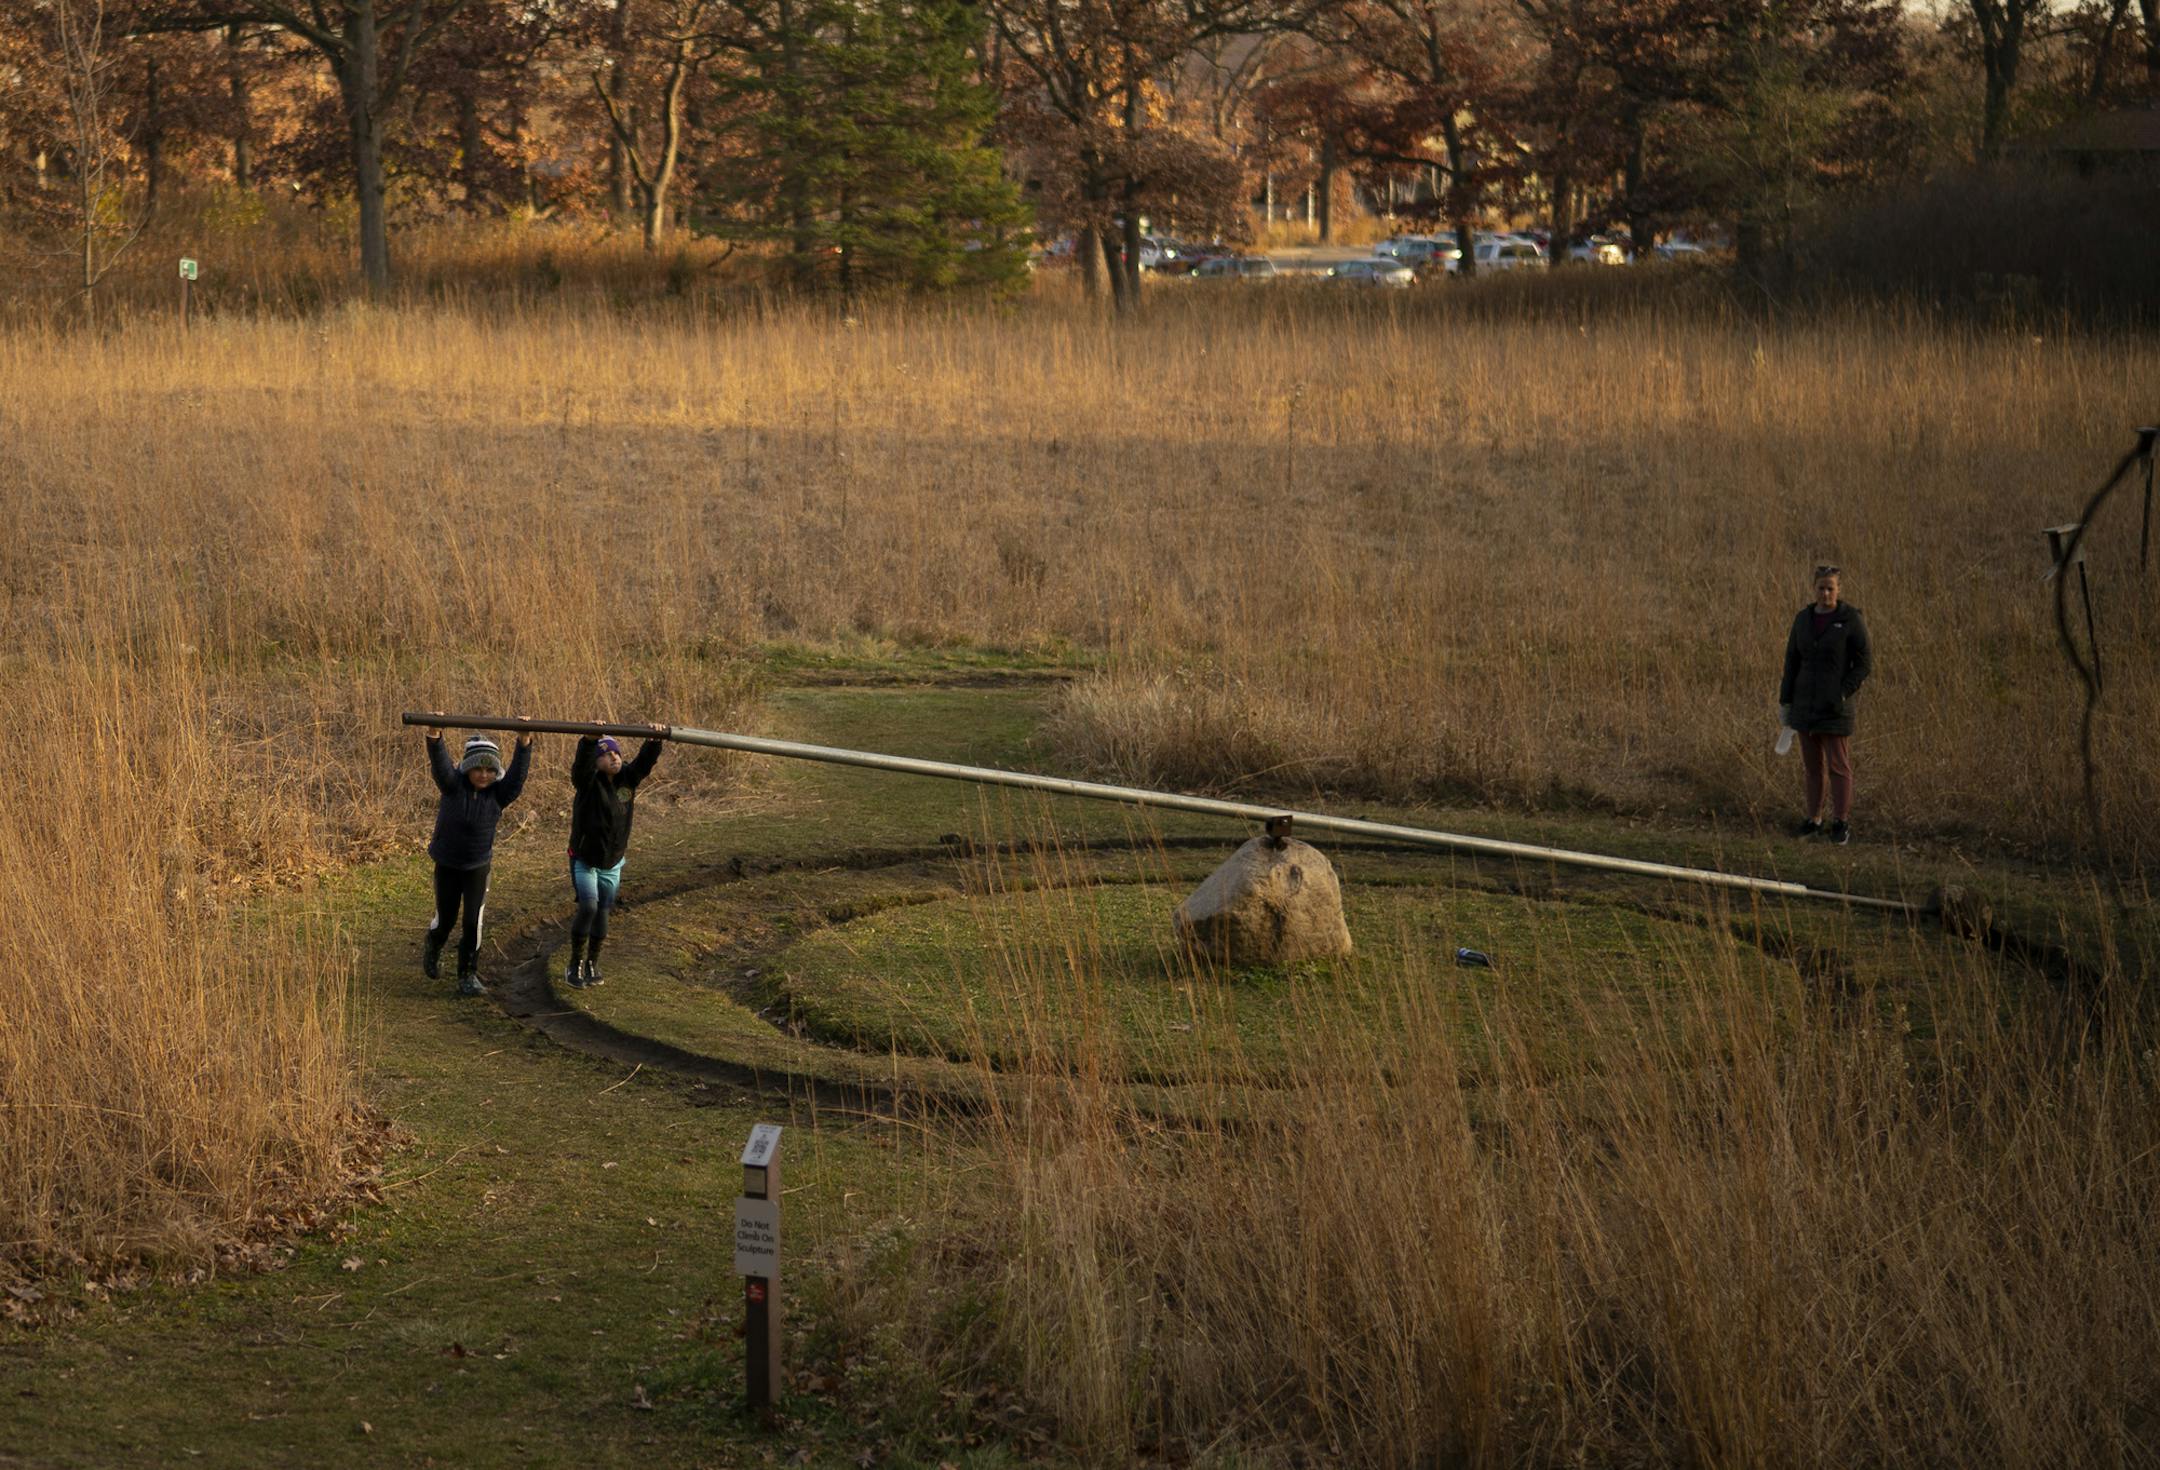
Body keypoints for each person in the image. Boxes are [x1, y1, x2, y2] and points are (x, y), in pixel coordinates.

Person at [421, 723, 534, 996]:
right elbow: (441, 766)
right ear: (467, 768)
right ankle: (434, 944)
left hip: (477, 867)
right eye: (478, 769)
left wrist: (525, 740)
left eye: (490, 770)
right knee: (446, 920)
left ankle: (467, 975)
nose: (484, 775)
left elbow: (517, 776)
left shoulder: (499, 794)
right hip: (448, 864)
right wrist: (435, 735)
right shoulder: (452, 786)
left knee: (473, 922)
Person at [1778, 565, 1872, 845]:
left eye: (1831, 588)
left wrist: (1842, 693)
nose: (1825, 593)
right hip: (1804, 704)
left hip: (1835, 708)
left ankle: (1841, 822)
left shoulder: (1850, 619)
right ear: (1814, 588)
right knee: (1812, 767)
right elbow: (1791, 662)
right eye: (1821, 587)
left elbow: (1864, 663)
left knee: (1838, 766)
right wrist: (1786, 701)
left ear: (1838, 589)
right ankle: (1813, 820)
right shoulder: (1803, 619)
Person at [563, 731, 664, 989]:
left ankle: (592, 963)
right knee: (588, 907)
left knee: (603, 912)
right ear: (596, 762)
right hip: (585, 858)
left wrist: (654, 740)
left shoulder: (628, 780)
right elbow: (579, 769)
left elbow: (644, 762)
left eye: (616, 753)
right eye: (606, 754)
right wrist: (588, 742)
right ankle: (574, 963)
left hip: (613, 861)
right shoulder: (587, 783)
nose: (613, 758)